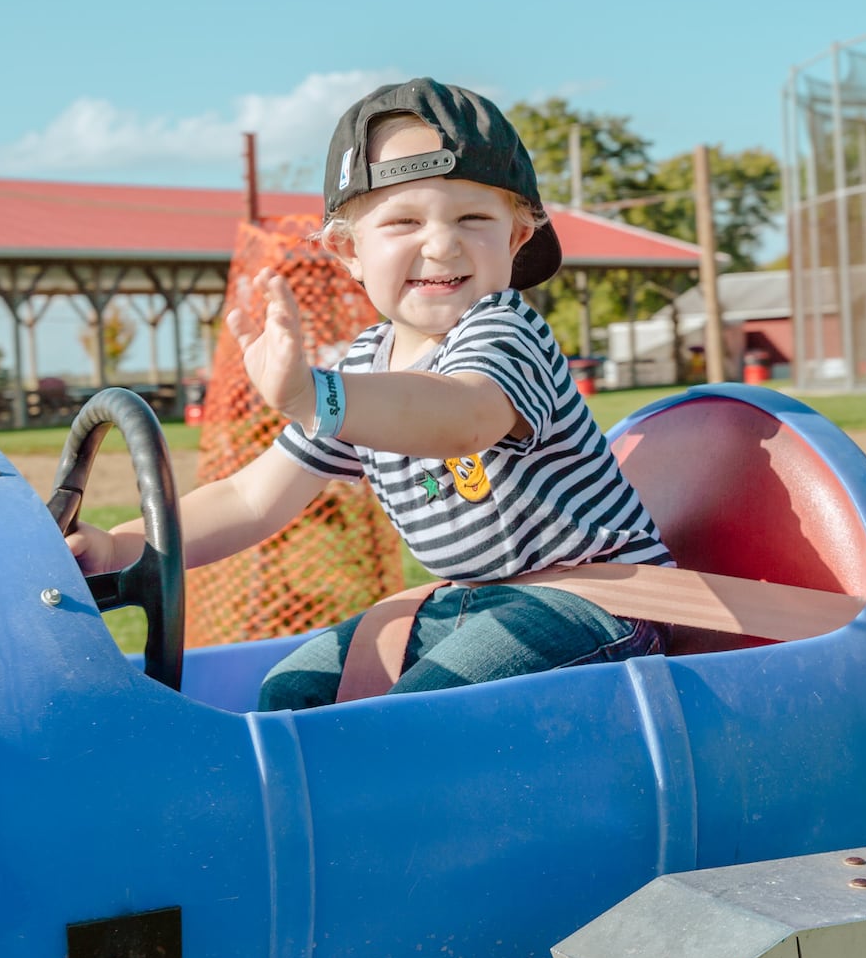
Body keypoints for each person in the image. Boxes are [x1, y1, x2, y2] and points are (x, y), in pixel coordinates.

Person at [68, 77, 673, 709]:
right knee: (293, 691)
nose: (441, 243)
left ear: (516, 239)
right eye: (404, 221)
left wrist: (316, 398)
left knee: (424, 708)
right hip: (472, 601)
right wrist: (116, 546)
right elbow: (252, 499)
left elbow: (462, 416)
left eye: (474, 218)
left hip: (599, 601)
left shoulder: (504, 331)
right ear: (348, 250)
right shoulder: (365, 362)